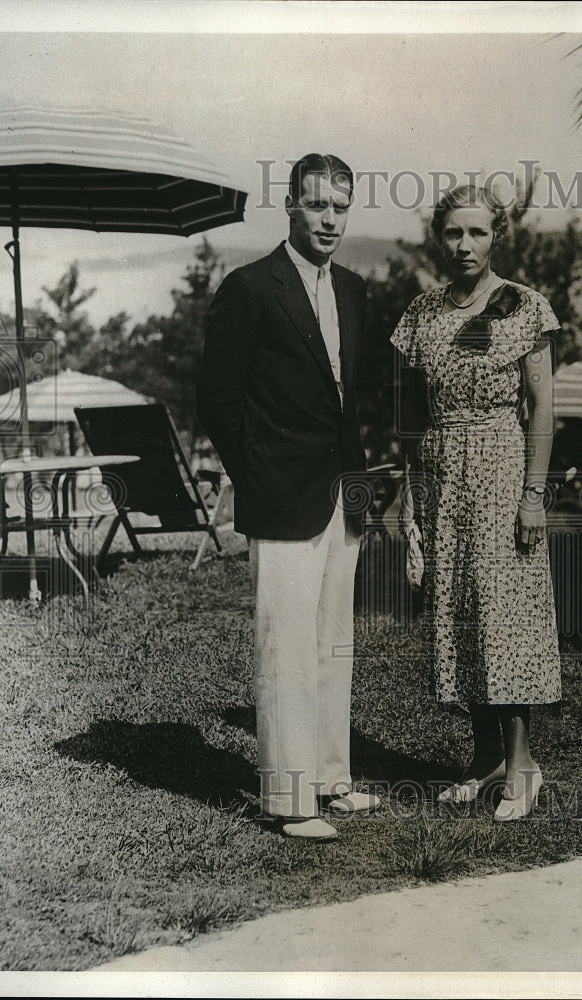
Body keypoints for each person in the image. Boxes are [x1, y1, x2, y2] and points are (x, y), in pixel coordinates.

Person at [197, 153, 380, 840]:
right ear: (291, 208)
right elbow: (217, 399)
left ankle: (331, 779)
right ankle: (289, 798)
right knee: (287, 647)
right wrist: (260, 471)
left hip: (344, 495)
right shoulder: (250, 288)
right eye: (316, 205)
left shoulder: (356, 291)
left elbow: (350, 400)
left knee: (334, 643)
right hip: (281, 494)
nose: (329, 219)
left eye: (340, 206)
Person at [392, 184, 561, 821]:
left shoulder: (526, 308)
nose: (465, 245)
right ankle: (483, 756)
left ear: (497, 236)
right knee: (459, 615)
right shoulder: (422, 313)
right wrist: (410, 498)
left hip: (500, 468)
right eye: (454, 233)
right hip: (441, 476)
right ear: (440, 236)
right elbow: (406, 411)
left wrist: (533, 495)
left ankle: (523, 767)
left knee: (502, 616)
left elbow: (544, 408)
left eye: (478, 233)